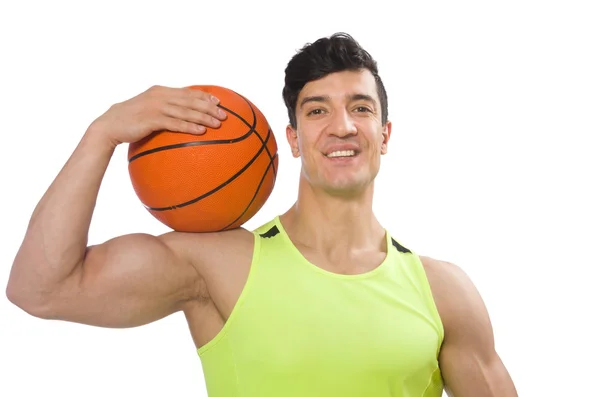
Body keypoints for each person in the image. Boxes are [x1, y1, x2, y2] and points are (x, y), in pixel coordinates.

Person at [6, 32, 518, 397]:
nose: (342, 126)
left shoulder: (444, 290)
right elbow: (40, 289)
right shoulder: (217, 265)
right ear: (293, 139)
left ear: (384, 134)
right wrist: (103, 132)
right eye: (317, 110)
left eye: (360, 108)